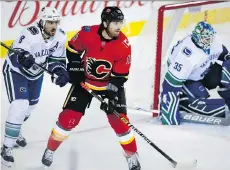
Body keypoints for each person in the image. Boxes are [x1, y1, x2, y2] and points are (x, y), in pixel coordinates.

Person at [41, 6, 141, 170]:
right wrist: (75, 67)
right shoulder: (87, 33)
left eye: (120, 23)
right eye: (115, 23)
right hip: (84, 83)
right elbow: (72, 48)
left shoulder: (124, 45)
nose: (119, 27)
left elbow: (119, 77)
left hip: (109, 85)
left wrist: (110, 95)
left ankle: (131, 155)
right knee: (67, 119)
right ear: (105, 22)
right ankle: (50, 150)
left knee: (120, 122)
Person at [1, 7, 69, 167]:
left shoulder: (60, 36)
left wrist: (59, 71)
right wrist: (22, 57)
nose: (54, 26)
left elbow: (56, 60)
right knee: (20, 105)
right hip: (16, 71)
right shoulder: (30, 33)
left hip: (35, 75)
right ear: (42, 21)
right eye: (50, 22)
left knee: (30, 107)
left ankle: (15, 129)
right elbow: (14, 54)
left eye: (56, 22)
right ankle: (6, 148)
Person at [160, 21, 230, 125]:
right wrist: (168, 115)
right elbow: (170, 85)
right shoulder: (186, 56)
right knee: (204, 105)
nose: (209, 41)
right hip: (188, 79)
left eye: (210, 38)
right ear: (197, 38)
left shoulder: (214, 41)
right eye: (205, 39)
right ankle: (183, 102)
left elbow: (225, 55)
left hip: (205, 69)